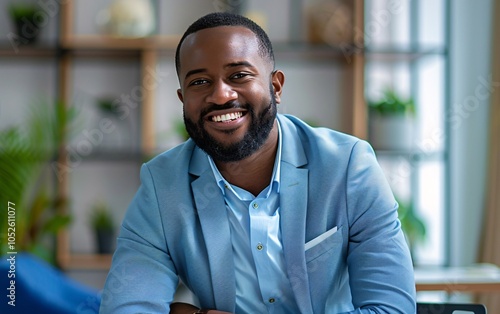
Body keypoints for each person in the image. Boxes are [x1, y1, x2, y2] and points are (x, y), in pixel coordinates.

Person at [100, 12, 416, 314]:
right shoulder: (162, 185)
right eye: (200, 82)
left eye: (238, 75)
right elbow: (127, 307)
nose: (221, 95)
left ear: (275, 86)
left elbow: (392, 309)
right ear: (184, 99)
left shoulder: (348, 167)